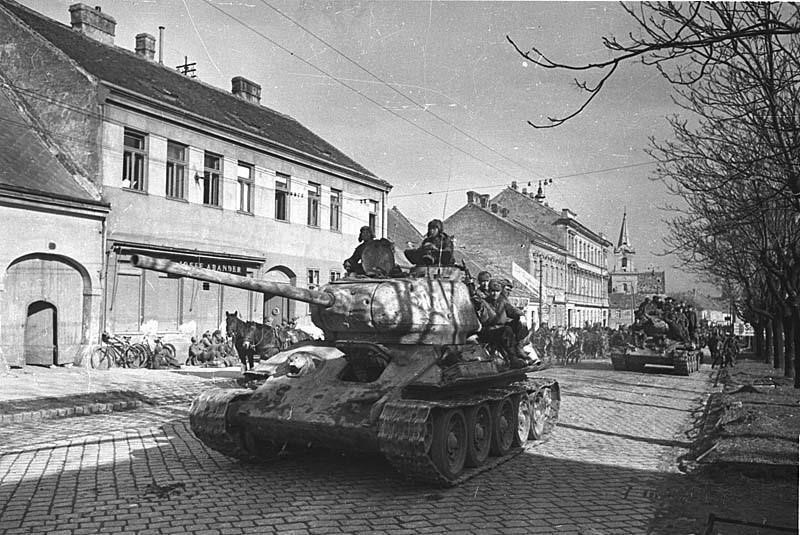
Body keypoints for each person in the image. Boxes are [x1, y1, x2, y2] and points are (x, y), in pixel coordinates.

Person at [479, 280, 528, 368]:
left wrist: (521, 316)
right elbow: (484, 319)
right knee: (506, 330)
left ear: (500, 292)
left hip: (501, 329)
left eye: (497, 291)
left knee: (519, 323)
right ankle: (513, 359)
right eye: (492, 291)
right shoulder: (483, 302)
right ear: (489, 291)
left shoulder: (502, 301)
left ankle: (519, 347)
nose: (494, 294)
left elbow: (512, 310)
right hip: (489, 331)